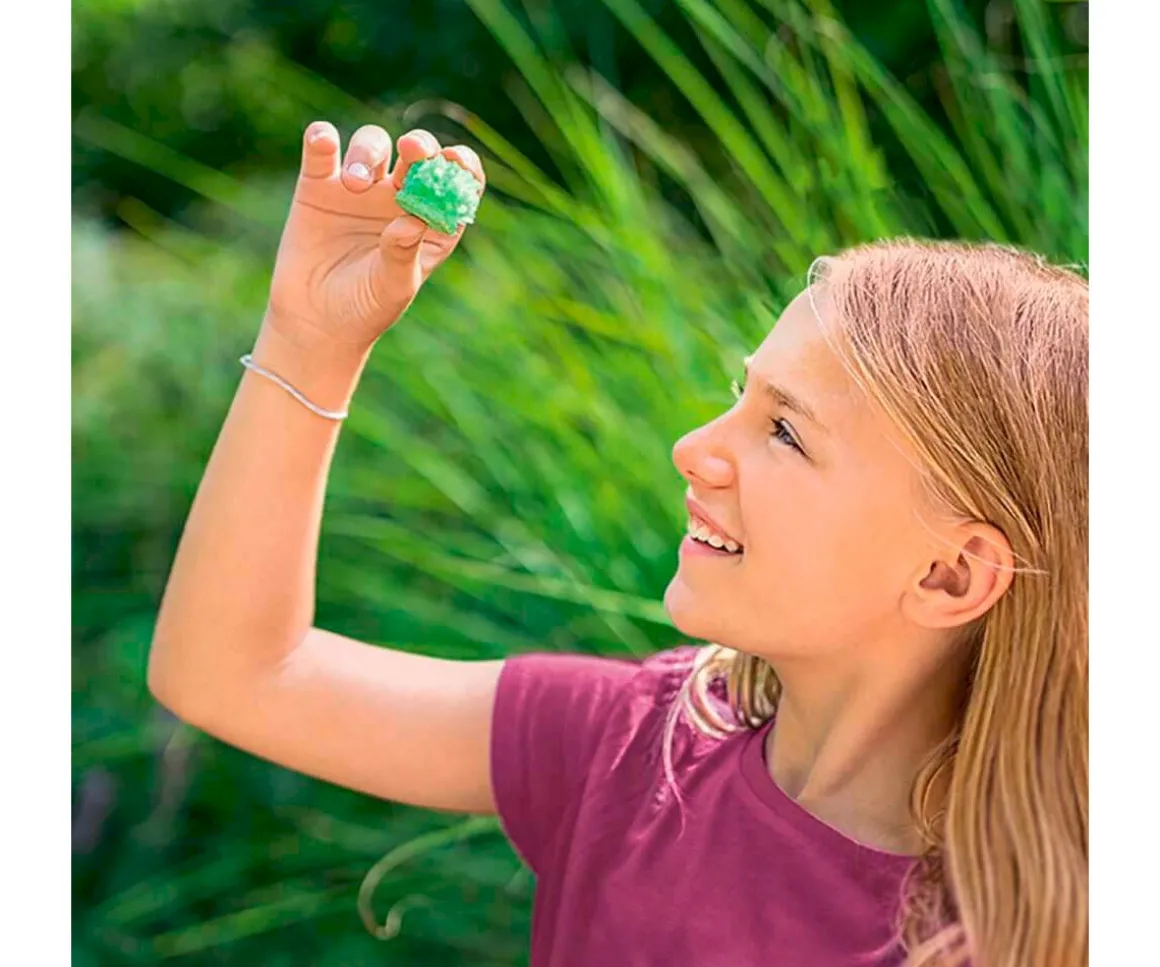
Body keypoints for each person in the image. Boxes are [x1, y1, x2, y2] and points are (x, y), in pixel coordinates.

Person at [147, 121, 1088, 967]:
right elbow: (236, 672)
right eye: (741, 395)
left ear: (950, 573)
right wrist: (311, 339)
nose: (694, 448)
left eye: (785, 431)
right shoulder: (636, 746)